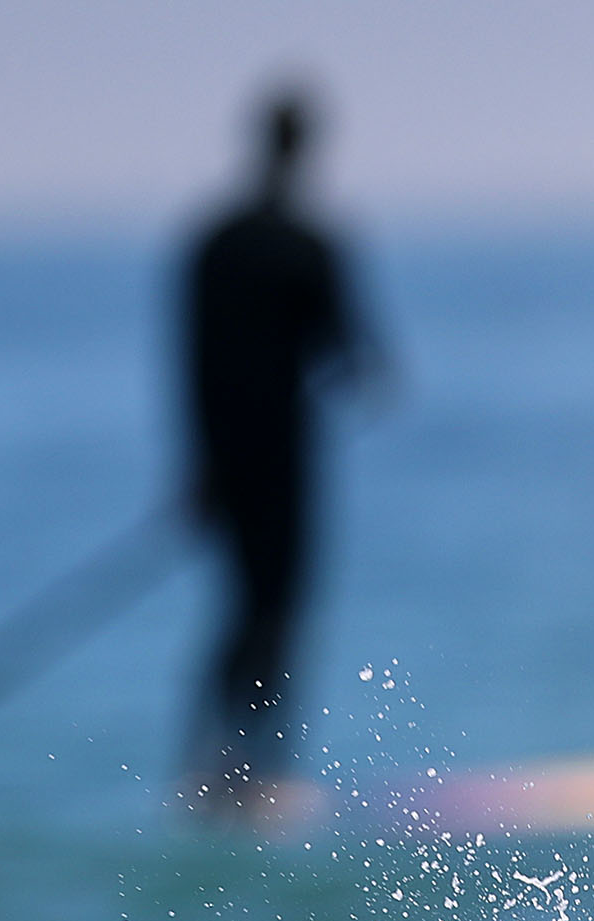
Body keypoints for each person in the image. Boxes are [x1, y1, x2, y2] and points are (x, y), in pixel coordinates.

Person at [177, 89, 382, 815]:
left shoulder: (213, 243)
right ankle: (260, 768)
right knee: (281, 609)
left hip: (224, 457)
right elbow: (357, 359)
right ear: (307, 147)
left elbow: (189, 360)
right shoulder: (310, 245)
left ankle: (209, 764)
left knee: (240, 607)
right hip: (285, 459)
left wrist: (196, 469)